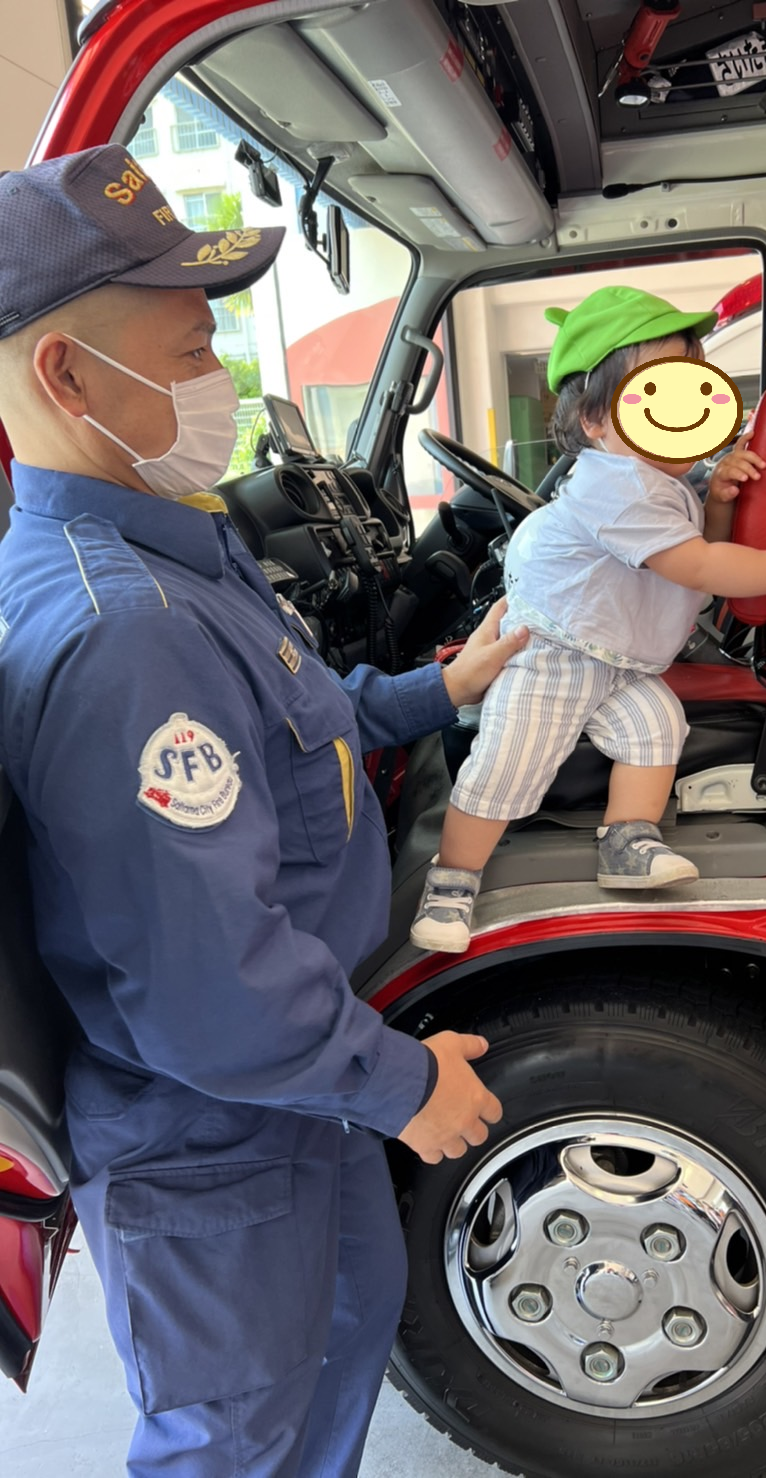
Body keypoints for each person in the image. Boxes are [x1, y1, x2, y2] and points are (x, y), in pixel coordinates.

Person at [0, 146, 528, 1476]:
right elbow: (202, 985)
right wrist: (404, 1086)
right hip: (216, 1135)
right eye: (188, 347)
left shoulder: (179, 548)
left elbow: (303, 726)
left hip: (293, 1099)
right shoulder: (127, 631)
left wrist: (435, 688)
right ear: (65, 374)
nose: (217, 379)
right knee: (235, 1441)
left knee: (322, 1390)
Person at [410, 286, 766, 953]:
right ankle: (452, 879)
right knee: (506, 766)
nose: (682, 411)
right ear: (594, 420)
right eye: (655, 396)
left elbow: (699, 552)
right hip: (558, 656)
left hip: (619, 662)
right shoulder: (616, 487)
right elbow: (700, 570)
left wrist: (716, 497)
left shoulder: (657, 486)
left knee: (657, 728)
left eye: (693, 391)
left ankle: (626, 841)